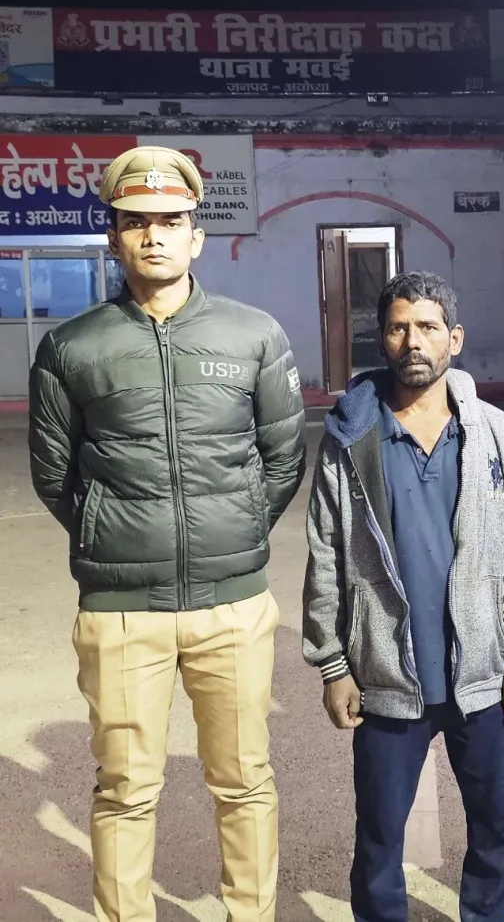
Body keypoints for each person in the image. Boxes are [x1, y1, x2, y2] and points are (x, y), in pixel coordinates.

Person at [27, 146, 307, 922]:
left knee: (244, 780)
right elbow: (54, 475)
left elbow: (284, 457)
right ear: (114, 237)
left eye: (171, 221)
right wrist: (111, 539)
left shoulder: (253, 336)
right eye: (136, 222)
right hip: (121, 613)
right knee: (125, 789)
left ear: (197, 235)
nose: (154, 235)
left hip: (233, 608)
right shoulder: (72, 347)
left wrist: (234, 534)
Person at [303, 271, 504, 922]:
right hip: (388, 676)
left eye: (428, 327)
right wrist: (333, 665)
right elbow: (325, 553)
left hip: (482, 673)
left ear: (455, 338)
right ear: (382, 340)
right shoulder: (351, 440)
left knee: (495, 826)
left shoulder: (494, 433)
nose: (413, 341)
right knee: (379, 837)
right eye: (398, 328)